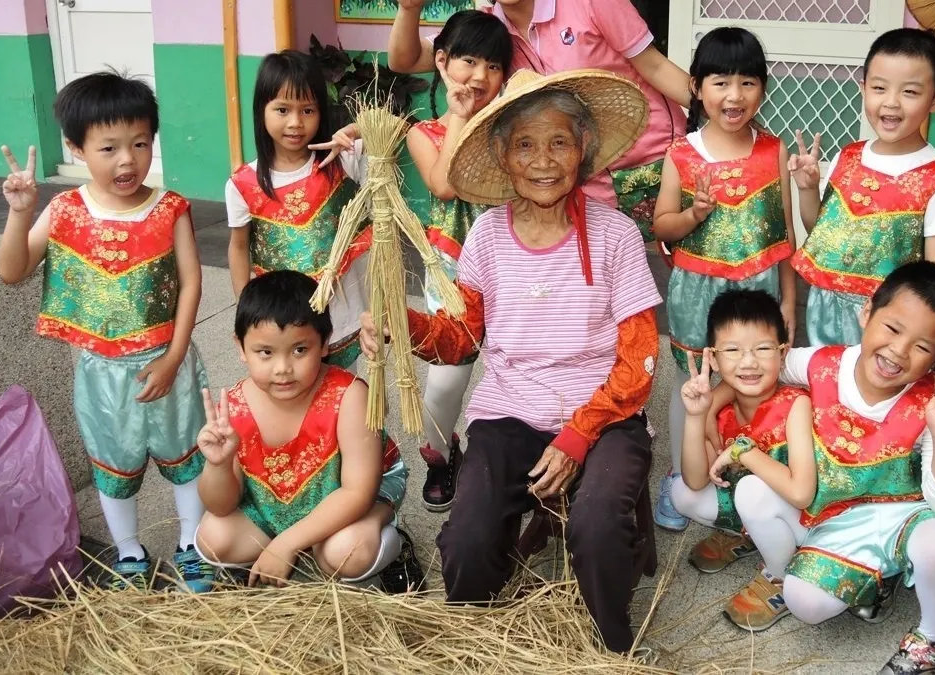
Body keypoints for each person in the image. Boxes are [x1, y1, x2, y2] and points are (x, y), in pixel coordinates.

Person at [360, 69, 660, 652]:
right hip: (510, 410)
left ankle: (613, 647)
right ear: (502, 156)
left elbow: (640, 359)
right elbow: (460, 337)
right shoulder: (488, 237)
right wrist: (404, 326)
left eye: (559, 142)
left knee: (598, 527)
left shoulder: (617, 235)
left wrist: (578, 436)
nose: (543, 160)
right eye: (525, 144)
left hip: (603, 416)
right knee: (467, 542)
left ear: (583, 151)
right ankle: (480, 640)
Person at [0, 72, 211, 592]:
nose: (126, 160)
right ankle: (130, 552)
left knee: (187, 455)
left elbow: (190, 283)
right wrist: (20, 213)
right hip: (100, 372)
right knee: (112, 465)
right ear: (76, 147)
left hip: (169, 361)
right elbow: (11, 270)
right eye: (109, 147)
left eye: (140, 144)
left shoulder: (170, 208)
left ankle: (192, 544)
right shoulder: (65, 210)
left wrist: (174, 355)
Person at [709, 261, 935, 674]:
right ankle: (852, 584)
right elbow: (758, 368)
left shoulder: (932, 406)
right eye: (892, 328)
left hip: (898, 516)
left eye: (922, 347)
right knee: (805, 600)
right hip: (826, 514)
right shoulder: (819, 363)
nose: (898, 352)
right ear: (866, 313)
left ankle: (934, 637)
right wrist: (710, 403)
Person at [386, 0, 689, 245]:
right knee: (607, 280)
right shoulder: (491, 29)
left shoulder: (592, 3)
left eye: (492, 66)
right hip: (584, 176)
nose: (483, 72)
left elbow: (655, 65)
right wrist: (409, 9)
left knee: (687, 269)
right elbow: (406, 60)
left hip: (652, 160)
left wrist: (714, 115)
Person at [651, 27, 797, 533]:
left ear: (762, 88)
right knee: (693, 385)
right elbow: (663, 225)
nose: (734, 96)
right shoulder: (682, 153)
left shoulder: (773, 150)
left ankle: (749, 467)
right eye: (719, 82)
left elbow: (783, 239)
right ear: (696, 87)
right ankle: (679, 473)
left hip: (759, 294)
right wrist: (694, 214)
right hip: (697, 292)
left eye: (747, 82)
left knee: (756, 385)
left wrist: (790, 304)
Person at [193, 271, 420, 590]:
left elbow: (357, 492)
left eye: (300, 350)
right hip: (274, 502)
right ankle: (293, 544)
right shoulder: (233, 409)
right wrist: (217, 464)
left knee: (346, 553)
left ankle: (393, 545)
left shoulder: (349, 395)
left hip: (356, 496)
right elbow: (220, 506)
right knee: (212, 537)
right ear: (241, 348)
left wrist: (286, 544)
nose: (283, 368)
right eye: (266, 352)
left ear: (325, 343)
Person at [791, 28, 935, 348]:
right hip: (820, 308)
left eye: (910, 92)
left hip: (889, 326)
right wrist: (807, 189)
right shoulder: (848, 156)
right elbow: (820, 233)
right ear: (863, 89)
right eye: (879, 88)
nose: (891, 103)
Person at [404, 11, 513, 513]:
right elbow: (444, 185)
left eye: (494, 65)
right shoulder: (423, 132)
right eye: (468, 61)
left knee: (520, 369)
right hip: (452, 275)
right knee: (445, 383)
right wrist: (460, 117)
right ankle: (441, 455)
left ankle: (514, 461)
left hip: (515, 267)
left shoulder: (511, 128)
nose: (481, 77)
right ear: (442, 62)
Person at [671, 289, 815, 633]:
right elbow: (695, 480)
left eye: (762, 349)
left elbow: (802, 495)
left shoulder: (796, 405)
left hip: (806, 520)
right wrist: (696, 416)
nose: (748, 362)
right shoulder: (720, 404)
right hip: (759, 505)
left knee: (751, 490)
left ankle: (779, 575)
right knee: (681, 494)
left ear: (783, 353)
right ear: (714, 359)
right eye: (733, 350)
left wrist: (743, 452)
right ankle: (751, 536)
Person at [225, 51, 370, 369]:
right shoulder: (243, 184)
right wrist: (246, 310)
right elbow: (238, 248)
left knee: (347, 400)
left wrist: (355, 130)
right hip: (284, 329)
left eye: (307, 110)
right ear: (261, 111)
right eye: (282, 109)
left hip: (346, 319)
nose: (295, 122)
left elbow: (396, 128)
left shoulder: (343, 160)